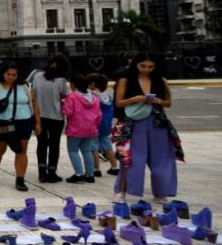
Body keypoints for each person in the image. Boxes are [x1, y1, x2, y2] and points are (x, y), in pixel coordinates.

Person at [112, 52, 182, 204]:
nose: (146, 69)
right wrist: (135, 99)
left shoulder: (161, 80)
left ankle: (161, 192)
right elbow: (118, 102)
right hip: (134, 122)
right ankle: (121, 191)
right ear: (135, 64)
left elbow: (167, 103)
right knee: (131, 157)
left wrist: (157, 100)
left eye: (151, 67)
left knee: (162, 158)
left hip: (158, 122)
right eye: (143, 66)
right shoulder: (126, 79)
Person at [0, 62, 42, 192]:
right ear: (3, 73)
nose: (11, 77)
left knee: (21, 150)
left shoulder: (25, 86)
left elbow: (34, 104)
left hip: (24, 122)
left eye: (14, 75)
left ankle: (20, 179)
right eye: (8, 74)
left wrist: (37, 122)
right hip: (3, 123)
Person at [30, 54, 70, 183]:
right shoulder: (62, 80)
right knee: (54, 144)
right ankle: (52, 172)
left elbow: (33, 94)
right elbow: (63, 95)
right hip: (57, 116)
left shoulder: (37, 76)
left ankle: (42, 173)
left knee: (41, 144)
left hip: (39, 115)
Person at [61, 75, 102, 183]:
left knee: (73, 150)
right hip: (90, 129)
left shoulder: (72, 97)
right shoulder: (94, 97)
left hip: (75, 129)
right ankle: (90, 175)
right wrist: (94, 125)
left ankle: (79, 174)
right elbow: (99, 115)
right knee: (87, 151)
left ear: (73, 85)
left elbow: (67, 112)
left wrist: (62, 104)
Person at [88, 73, 119, 176]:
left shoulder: (92, 96)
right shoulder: (109, 97)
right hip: (106, 126)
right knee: (108, 147)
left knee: (94, 147)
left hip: (94, 126)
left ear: (92, 84)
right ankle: (114, 167)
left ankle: (96, 169)